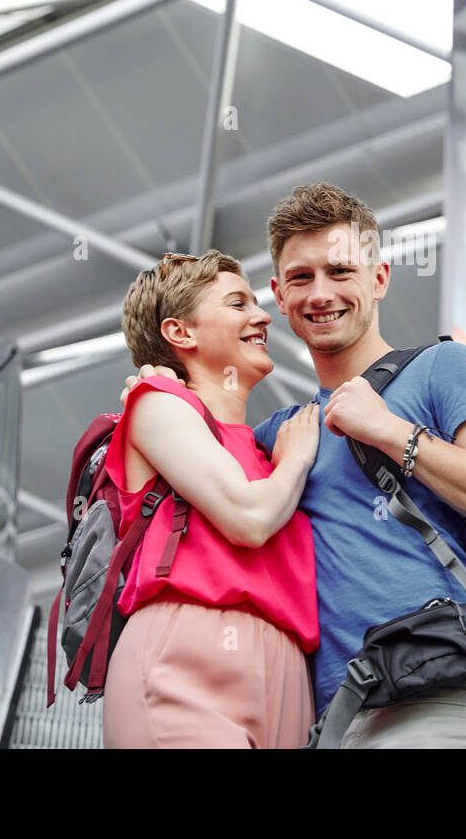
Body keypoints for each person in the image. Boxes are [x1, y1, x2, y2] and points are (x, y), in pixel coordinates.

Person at [123, 185, 466, 748]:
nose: (320, 293)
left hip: (433, 695)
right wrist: (159, 389)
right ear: (278, 295)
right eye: (300, 278)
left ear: (378, 279)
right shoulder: (278, 437)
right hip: (324, 720)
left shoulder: (442, 367)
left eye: (340, 271)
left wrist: (391, 432)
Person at [101, 249, 321, 749]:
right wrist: (298, 460)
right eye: (238, 304)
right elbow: (248, 517)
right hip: (184, 663)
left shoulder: (264, 454)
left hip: (288, 676)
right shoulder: (156, 401)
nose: (262, 315)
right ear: (181, 333)